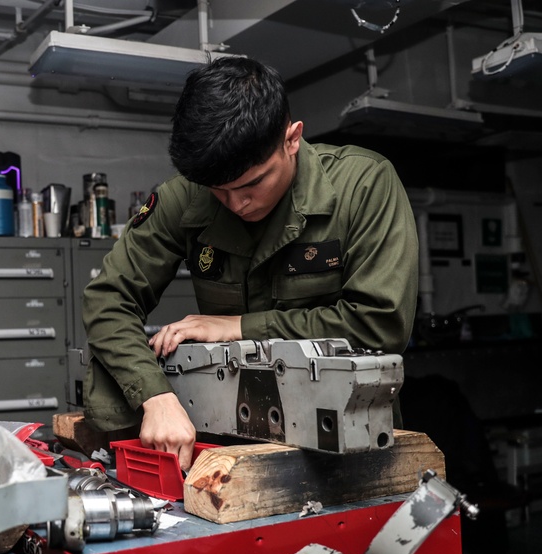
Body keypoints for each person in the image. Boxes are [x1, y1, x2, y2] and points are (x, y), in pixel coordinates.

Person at [81, 56, 418, 471]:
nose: (236, 204)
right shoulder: (183, 197)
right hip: (228, 448)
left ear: (291, 139)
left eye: (253, 183)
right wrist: (155, 397)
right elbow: (108, 298)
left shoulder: (364, 186)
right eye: (218, 191)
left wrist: (237, 327)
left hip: (350, 442)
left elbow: (379, 325)